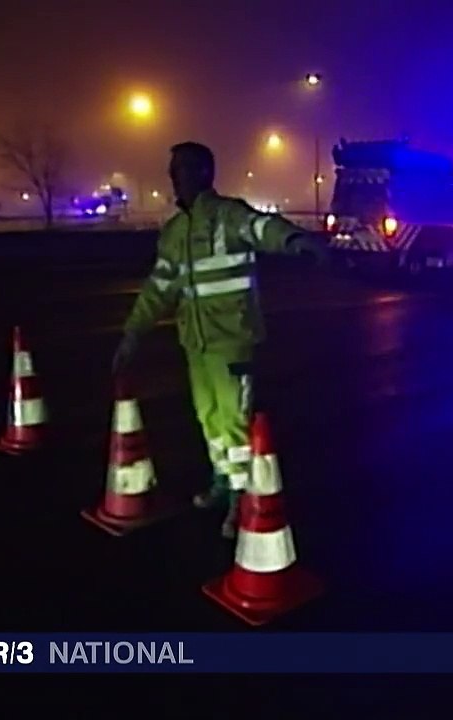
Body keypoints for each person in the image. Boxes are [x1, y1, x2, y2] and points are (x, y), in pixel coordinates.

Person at [112, 141, 327, 537]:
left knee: (235, 424)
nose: (174, 177)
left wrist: (296, 240)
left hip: (232, 341)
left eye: (182, 169)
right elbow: (159, 288)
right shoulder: (175, 232)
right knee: (209, 419)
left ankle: (242, 500)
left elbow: (263, 228)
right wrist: (133, 334)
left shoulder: (228, 215)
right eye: (172, 169)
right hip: (197, 343)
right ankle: (223, 482)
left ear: (204, 173)